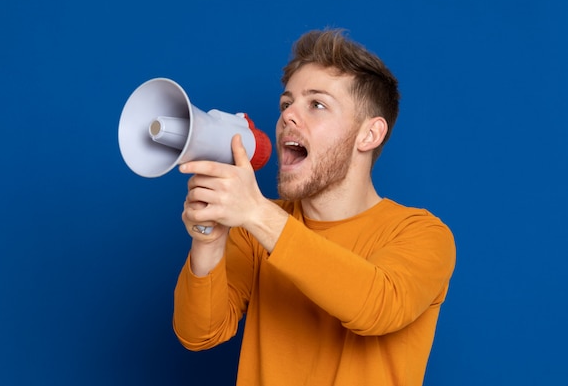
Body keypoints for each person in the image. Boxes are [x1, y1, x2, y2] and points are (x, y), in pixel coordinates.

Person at [173, 28, 456, 386]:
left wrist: (257, 212)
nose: (288, 116)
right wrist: (208, 238)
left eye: (317, 104)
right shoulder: (255, 230)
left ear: (369, 135)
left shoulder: (422, 233)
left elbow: (378, 306)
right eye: (286, 103)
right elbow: (199, 333)